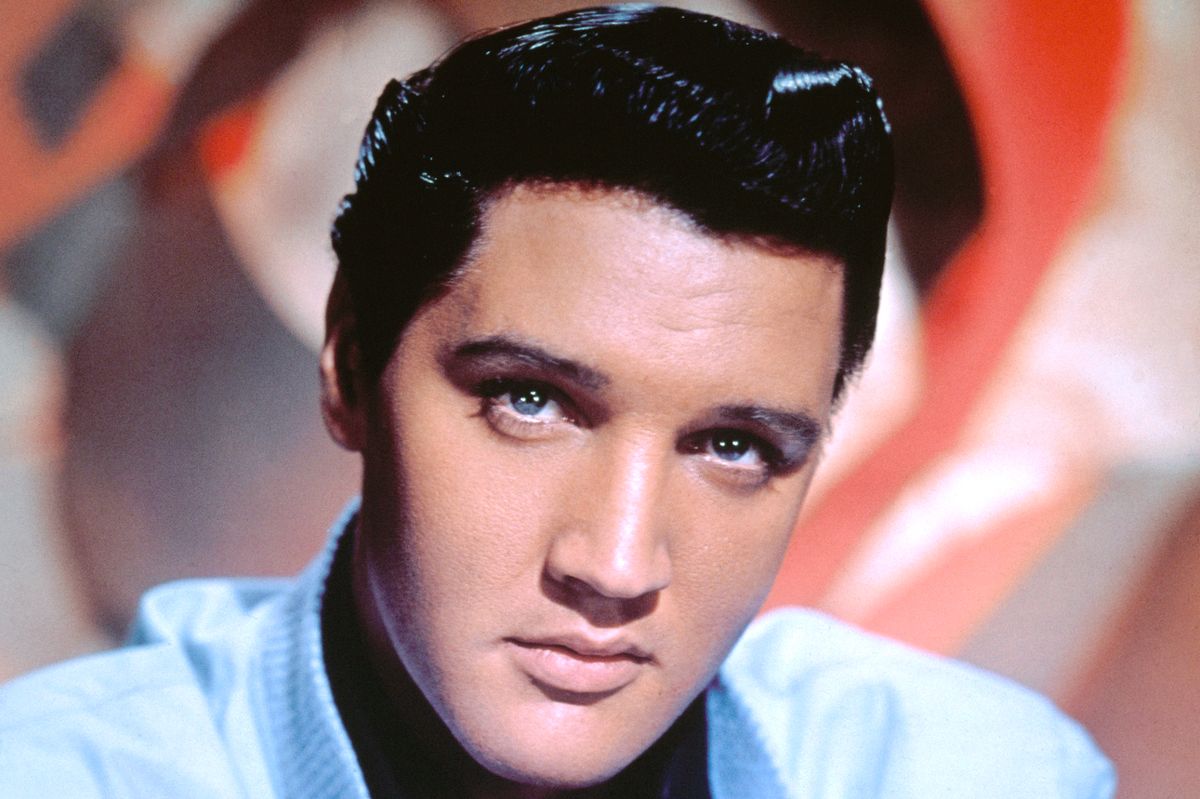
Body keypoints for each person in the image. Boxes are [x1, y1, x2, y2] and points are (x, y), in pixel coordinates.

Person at [0, 5, 1113, 797]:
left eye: (735, 444)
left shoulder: (983, 772)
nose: (618, 565)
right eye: (528, 401)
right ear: (349, 368)